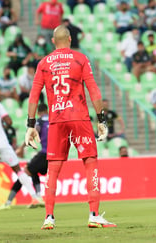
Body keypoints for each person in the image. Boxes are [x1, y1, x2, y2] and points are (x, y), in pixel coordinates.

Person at [25, 25, 116, 229]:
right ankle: (93, 214)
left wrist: (30, 125)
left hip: (56, 119)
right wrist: (102, 120)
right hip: (79, 118)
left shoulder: (43, 63)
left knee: (54, 169)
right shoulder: (80, 59)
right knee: (90, 161)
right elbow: (93, 89)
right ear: (70, 40)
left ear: (53, 42)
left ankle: (49, 217)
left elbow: (33, 95)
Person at [0, 104, 49, 211]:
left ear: (38, 112)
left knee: (23, 174)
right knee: (33, 172)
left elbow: (33, 133)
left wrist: (21, 148)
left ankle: (8, 202)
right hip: (54, 156)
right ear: (47, 111)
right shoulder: (53, 120)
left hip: (44, 154)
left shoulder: (40, 121)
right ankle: (38, 197)